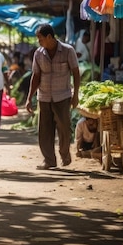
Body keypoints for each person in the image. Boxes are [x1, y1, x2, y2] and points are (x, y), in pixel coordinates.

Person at [26, 23, 81, 170]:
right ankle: (49, 160)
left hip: (62, 96)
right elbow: (36, 76)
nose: (39, 42)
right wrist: (29, 97)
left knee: (64, 128)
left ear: (49, 37)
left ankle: (65, 155)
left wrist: (75, 95)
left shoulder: (68, 51)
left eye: (40, 38)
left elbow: (76, 73)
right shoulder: (38, 53)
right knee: (44, 130)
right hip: (43, 97)